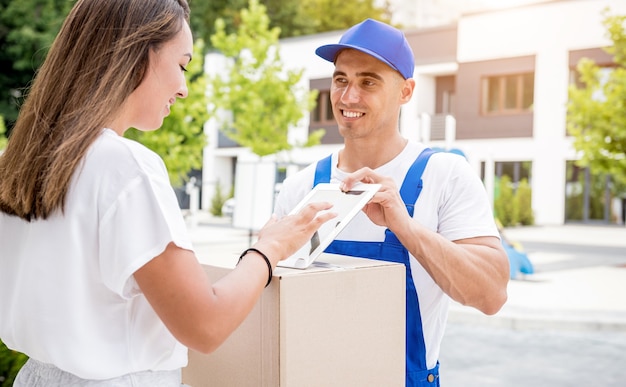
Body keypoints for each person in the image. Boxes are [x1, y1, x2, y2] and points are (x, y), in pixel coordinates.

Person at [0, 0, 336, 385]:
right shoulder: (123, 166)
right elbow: (205, 326)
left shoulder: (15, 162)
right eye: (182, 65)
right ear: (138, 54)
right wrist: (269, 250)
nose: (184, 89)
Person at [273, 18, 510, 386]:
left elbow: (491, 295)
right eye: (341, 79)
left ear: (406, 91)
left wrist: (406, 226)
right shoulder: (300, 187)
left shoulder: (444, 175)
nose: (348, 97)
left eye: (368, 82)